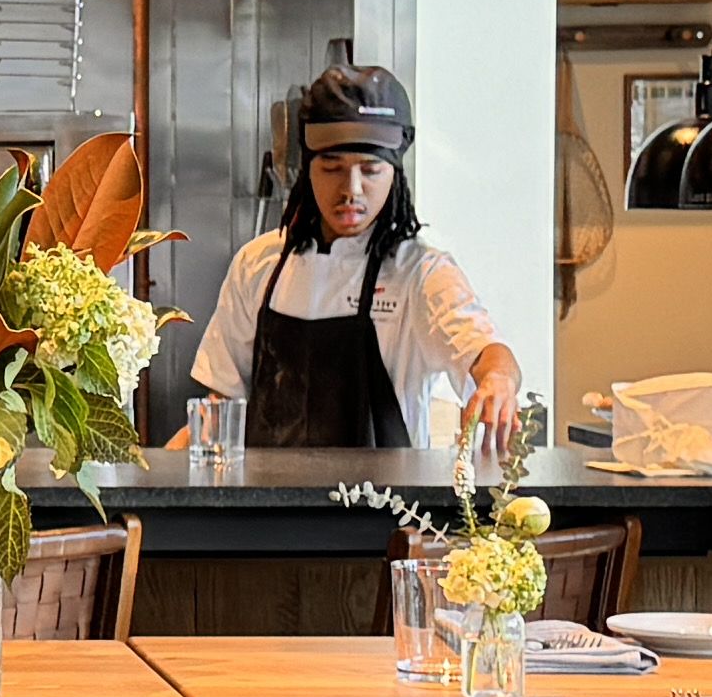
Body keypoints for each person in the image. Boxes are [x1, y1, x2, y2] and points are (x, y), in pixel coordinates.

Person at [185, 62, 530, 452]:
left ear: (395, 175)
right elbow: (221, 402)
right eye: (332, 168)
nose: (351, 190)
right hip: (266, 508)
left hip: (384, 508)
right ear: (307, 171)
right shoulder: (258, 263)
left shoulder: (419, 271)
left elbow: (485, 349)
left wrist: (498, 380)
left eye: (370, 170)